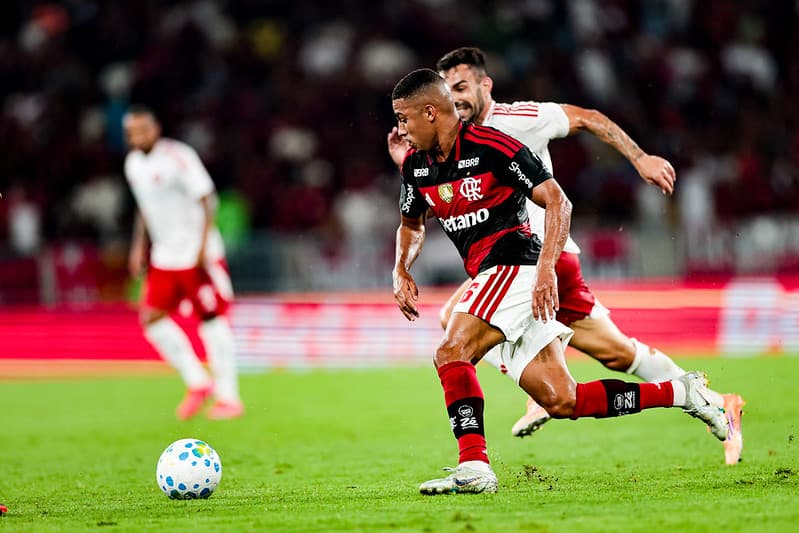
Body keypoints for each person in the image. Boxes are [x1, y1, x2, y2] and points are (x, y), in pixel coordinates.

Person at [388, 47, 744, 466]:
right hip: (502, 267)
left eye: (462, 86)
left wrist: (640, 157)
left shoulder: (517, 121)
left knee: (455, 328)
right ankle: (693, 394)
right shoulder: (437, 149)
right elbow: (432, 200)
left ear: (485, 86)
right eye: (450, 89)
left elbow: (589, 119)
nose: (457, 96)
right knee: (607, 360)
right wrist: (411, 166)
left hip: (541, 260)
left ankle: (484, 450)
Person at [124, 105, 244, 420]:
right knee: (151, 318)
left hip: (196, 252)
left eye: (143, 130)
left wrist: (203, 247)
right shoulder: (133, 164)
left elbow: (207, 199)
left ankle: (229, 397)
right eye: (132, 132)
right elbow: (144, 207)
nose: (138, 136)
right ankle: (197, 382)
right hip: (165, 254)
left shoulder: (179, 156)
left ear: (156, 128)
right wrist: (139, 246)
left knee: (212, 319)